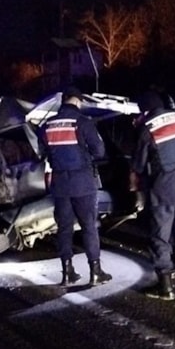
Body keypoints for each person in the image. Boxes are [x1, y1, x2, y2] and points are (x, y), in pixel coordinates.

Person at [130, 91, 175, 300]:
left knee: (160, 237)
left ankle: (165, 287)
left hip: (164, 189)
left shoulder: (148, 129)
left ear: (145, 110)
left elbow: (138, 165)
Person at [40, 85, 112, 286]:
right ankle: (95, 272)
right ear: (78, 101)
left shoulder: (47, 125)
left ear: (63, 100)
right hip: (83, 184)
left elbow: (42, 151)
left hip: (60, 185)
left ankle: (67, 273)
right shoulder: (82, 122)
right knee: (89, 226)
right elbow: (99, 151)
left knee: (64, 229)